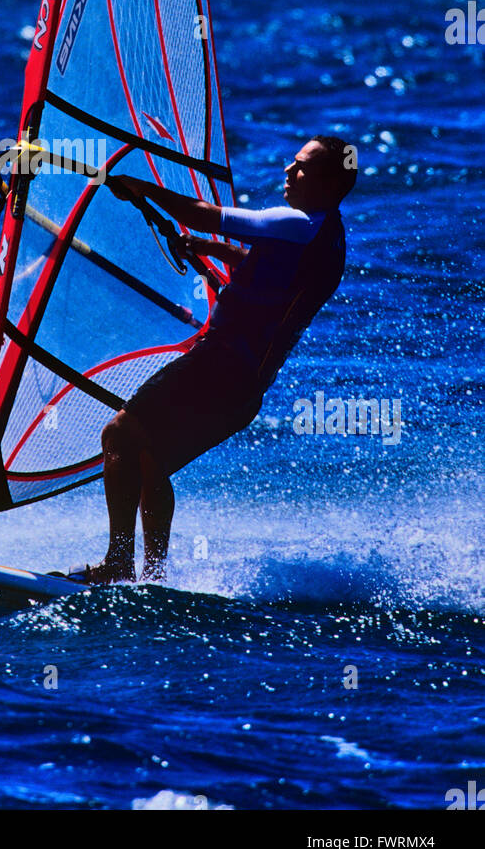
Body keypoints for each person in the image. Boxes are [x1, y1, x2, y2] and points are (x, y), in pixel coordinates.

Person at [79, 135, 356, 584]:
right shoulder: (326, 235)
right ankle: (152, 577)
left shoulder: (299, 223)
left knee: (120, 434)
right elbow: (271, 269)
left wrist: (140, 188)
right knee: (150, 461)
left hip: (221, 367)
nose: (288, 171)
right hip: (243, 387)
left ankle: (116, 562)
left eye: (301, 167)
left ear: (328, 184)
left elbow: (200, 215)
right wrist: (212, 251)